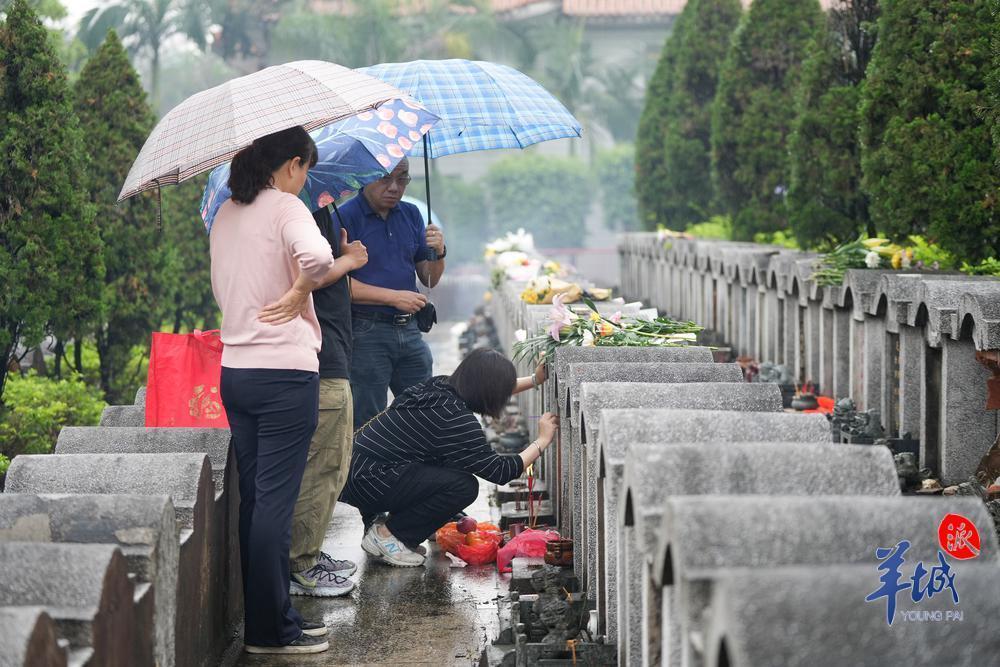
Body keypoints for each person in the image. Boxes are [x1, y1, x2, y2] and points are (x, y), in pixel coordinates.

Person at [211, 126, 333, 655]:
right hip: (284, 374)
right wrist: (299, 289)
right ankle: (271, 632)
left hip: (236, 371)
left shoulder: (225, 213)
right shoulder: (286, 209)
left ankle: (274, 616)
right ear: (290, 165)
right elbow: (320, 260)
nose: (305, 182)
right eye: (306, 169)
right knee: (275, 507)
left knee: (256, 502)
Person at [339, 348, 556, 567]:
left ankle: (408, 526)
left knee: (454, 463)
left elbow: (490, 388)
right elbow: (500, 471)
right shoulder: (455, 419)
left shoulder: (438, 387)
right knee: (463, 486)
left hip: (356, 471)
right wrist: (543, 440)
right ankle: (388, 535)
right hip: (370, 481)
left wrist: (535, 380)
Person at [281, 205, 368, 598]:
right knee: (322, 464)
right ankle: (301, 564)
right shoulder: (299, 207)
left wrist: (343, 258)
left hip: (333, 350)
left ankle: (310, 551)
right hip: (320, 355)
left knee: (335, 462)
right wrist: (347, 261)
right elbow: (302, 277)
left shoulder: (318, 205)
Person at [338, 158, 447, 429]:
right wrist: (394, 297)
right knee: (367, 418)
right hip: (366, 330)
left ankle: (414, 469)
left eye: (403, 179)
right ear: (365, 177)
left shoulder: (411, 214)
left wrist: (439, 251)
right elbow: (337, 284)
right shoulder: (343, 218)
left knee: (423, 411)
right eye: (385, 178)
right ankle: (366, 471)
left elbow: (428, 276)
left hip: (409, 329)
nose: (394, 187)